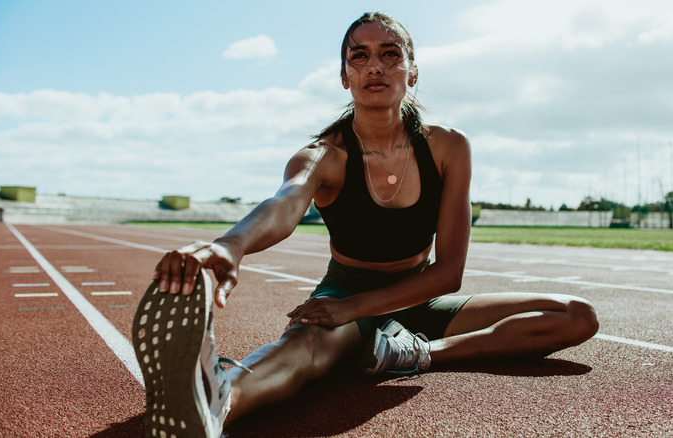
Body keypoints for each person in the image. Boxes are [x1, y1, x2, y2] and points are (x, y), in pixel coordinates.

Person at [132, 12, 599, 438]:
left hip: (421, 299)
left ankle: (417, 354)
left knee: (576, 315)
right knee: (304, 350)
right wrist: (232, 245)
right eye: (360, 56)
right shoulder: (324, 155)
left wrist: (378, 319)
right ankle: (221, 398)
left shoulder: (448, 148)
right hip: (343, 297)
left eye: (389, 54)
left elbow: (448, 273)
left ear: (411, 71)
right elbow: (285, 202)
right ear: (345, 77)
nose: (375, 66)